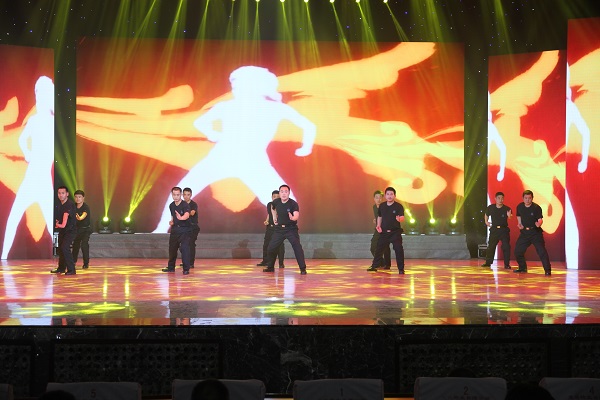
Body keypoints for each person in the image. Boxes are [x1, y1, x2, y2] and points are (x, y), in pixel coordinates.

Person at [153, 66, 316, 232]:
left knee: (285, 200)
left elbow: (309, 126)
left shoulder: (274, 109)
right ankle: (160, 230)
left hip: (251, 162)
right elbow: (200, 122)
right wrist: (212, 133)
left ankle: (287, 232)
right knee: (182, 192)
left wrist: (306, 147)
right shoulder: (228, 106)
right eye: (234, 85)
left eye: (239, 85)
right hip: (222, 158)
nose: (235, 89)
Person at [1, 76, 54, 259]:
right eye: (37, 92)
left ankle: (61, 256)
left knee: (51, 223)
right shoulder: (34, 121)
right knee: (13, 219)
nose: (38, 96)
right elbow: (22, 139)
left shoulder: (54, 123)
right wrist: (27, 153)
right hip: (31, 179)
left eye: (42, 92)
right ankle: (4, 256)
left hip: (44, 181)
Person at [263, 184, 307, 275]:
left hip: (291, 229)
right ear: (279, 193)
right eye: (282, 192)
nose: (283, 193)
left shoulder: (293, 203)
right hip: (279, 229)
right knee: (271, 247)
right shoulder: (276, 202)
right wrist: (274, 217)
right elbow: (272, 207)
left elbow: (296, 215)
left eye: (286, 192)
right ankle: (270, 267)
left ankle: (302, 268)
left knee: (297, 247)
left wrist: (293, 218)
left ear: (289, 193)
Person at [367, 187, 406, 274]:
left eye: (391, 194)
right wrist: (378, 225)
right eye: (388, 194)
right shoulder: (382, 206)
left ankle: (401, 269)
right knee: (379, 249)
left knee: (398, 249)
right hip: (384, 232)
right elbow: (380, 217)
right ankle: (374, 266)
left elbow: (402, 217)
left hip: (395, 232)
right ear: (385, 196)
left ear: (394, 196)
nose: (389, 196)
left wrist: (399, 219)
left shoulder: (398, 206)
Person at [514, 190, 551, 275]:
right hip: (524, 233)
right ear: (523, 198)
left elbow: (540, 219)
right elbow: (518, 215)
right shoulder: (520, 206)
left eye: (529, 198)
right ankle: (522, 268)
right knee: (518, 251)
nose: (527, 200)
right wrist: (519, 223)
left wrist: (539, 224)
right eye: (526, 198)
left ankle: (547, 270)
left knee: (541, 251)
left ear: (532, 198)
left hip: (535, 233)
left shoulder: (536, 207)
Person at [161, 187, 192, 275]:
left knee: (184, 249)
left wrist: (181, 218)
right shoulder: (171, 205)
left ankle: (186, 269)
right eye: (174, 195)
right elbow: (173, 216)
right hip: (175, 229)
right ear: (172, 195)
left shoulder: (185, 205)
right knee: (172, 249)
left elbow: (187, 215)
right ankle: (171, 267)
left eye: (178, 195)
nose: (176, 197)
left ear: (181, 195)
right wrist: (172, 222)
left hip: (185, 230)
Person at [482, 191, 512, 269]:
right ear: (495, 198)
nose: (500, 200)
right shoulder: (491, 207)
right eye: (499, 198)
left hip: (504, 230)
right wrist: (486, 221)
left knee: (506, 247)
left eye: (502, 198)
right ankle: (488, 263)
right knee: (491, 246)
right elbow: (486, 214)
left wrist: (509, 216)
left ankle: (507, 264)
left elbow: (510, 217)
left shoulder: (507, 208)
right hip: (494, 230)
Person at [51, 186, 77, 275]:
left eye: (63, 193)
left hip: (70, 230)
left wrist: (58, 225)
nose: (61, 195)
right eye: (59, 193)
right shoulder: (60, 205)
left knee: (65, 248)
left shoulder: (69, 205)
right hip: (63, 231)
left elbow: (63, 224)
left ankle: (71, 269)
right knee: (61, 249)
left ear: (67, 194)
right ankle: (61, 268)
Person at [257, 190, 285, 268]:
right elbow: (270, 214)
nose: (276, 198)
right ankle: (265, 261)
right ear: (272, 197)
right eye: (274, 197)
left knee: (280, 246)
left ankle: (281, 263)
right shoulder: (269, 204)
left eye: (277, 197)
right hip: (270, 227)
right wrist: (267, 220)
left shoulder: (283, 205)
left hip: (278, 228)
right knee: (266, 244)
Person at [370, 190, 392, 269]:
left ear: (382, 198)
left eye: (380, 198)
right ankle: (381, 262)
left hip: (385, 229)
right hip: (378, 229)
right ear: (374, 199)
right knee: (373, 247)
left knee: (386, 247)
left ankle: (387, 264)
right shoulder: (374, 207)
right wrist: (376, 220)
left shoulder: (386, 207)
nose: (378, 199)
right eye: (377, 198)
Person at [71, 190, 92, 269]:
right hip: (77, 230)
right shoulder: (73, 206)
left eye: (79, 197)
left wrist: (79, 218)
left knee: (84, 245)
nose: (78, 199)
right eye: (76, 197)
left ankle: (86, 263)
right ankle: (73, 262)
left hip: (86, 230)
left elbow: (83, 215)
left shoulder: (86, 207)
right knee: (75, 245)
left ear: (83, 198)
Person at [183, 187, 200, 269]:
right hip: (184, 227)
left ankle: (191, 263)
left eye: (188, 195)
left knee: (191, 244)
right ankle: (186, 261)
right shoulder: (181, 204)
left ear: (191, 195)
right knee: (183, 245)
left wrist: (182, 216)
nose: (186, 196)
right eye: (185, 195)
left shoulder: (193, 204)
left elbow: (192, 213)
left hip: (193, 227)